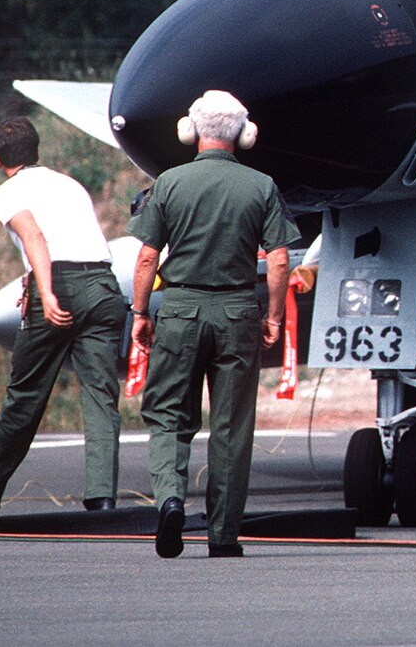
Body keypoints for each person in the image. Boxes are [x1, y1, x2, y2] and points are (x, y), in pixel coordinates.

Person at [128, 90, 299, 558]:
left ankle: (169, 500)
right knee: (231, 427)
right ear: (243, 136)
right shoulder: (262, 185)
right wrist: (274, 317)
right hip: (238, 314)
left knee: (168, 416)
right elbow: (280, 262)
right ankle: (223, 537)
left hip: (180, 312)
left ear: (192, 130)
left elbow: (146, 259)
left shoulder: (168, 183)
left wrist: (141, 314)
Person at [0, 117, 125, 518]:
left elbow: (34, 236)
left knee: (27, 393)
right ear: (37, 150)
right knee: (101, 395)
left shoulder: (8, 191)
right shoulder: (70, 185)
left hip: (59, 282)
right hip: (104, 284)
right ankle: (101, 497)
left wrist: (47, 292)